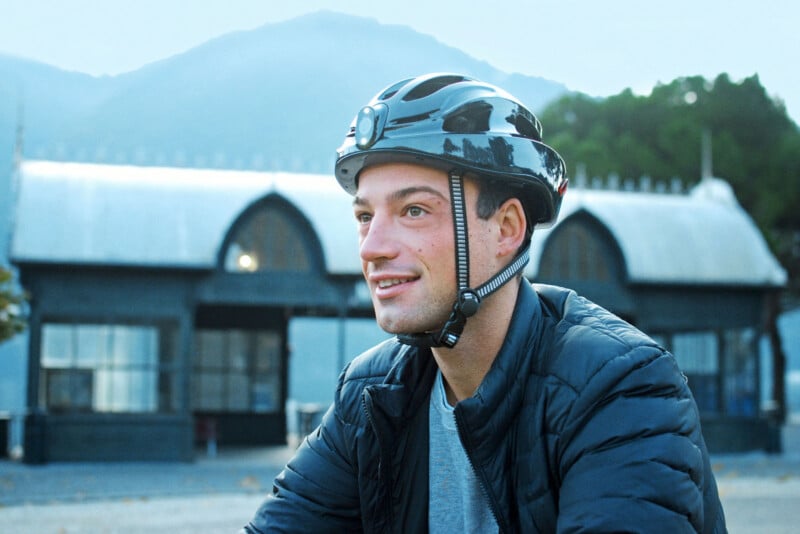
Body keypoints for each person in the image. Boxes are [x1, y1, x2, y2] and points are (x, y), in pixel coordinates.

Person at [243, 73, 726, 533]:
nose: (372, 247)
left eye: (414, 210)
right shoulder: (371, 395)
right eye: (366, 216)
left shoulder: (620, 388)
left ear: (507, 229)